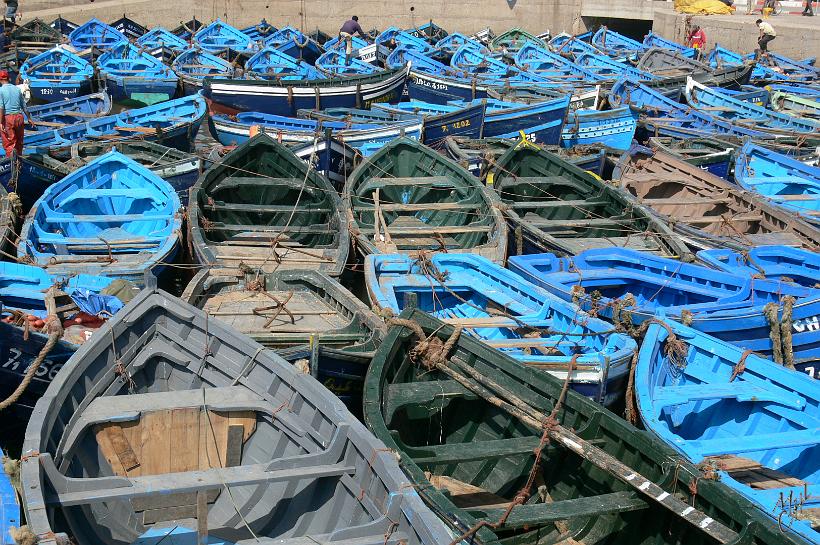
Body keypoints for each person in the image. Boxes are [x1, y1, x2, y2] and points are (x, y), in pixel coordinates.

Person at [0, 70, 25, 160]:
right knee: (19, 142)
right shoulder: (17, 89)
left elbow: (1, 107)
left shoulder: (1, 90)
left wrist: (0, 123)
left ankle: (11, 163)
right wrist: (29, 118)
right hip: (19, 117)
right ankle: (19, 161)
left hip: (8, 119)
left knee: (9, 142)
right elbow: (24, 106)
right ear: (8, 78)